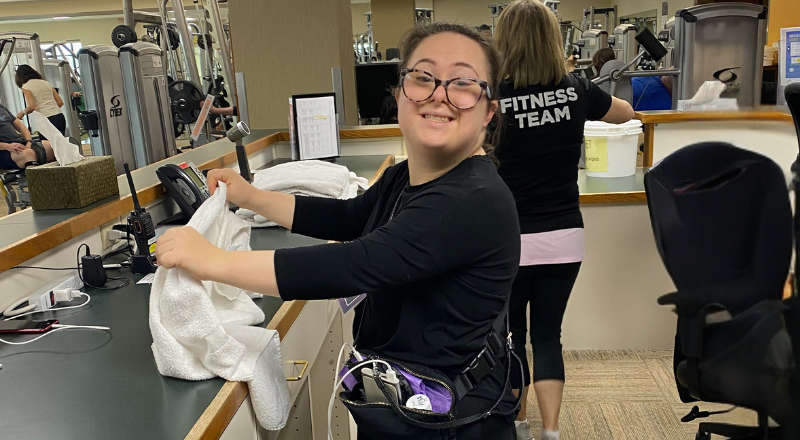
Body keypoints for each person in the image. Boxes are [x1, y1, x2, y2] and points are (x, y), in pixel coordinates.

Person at [156, 22, 522, 439]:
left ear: (488, 110)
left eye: (463, 83)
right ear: (400, 93)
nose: (439, 93)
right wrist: (252, 196)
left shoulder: (471, 198)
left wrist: (212, 261)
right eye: (423, 77)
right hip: (409, 405)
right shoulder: (405, 177)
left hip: (451, 422)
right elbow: (347, 218)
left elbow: (353, 265)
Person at [492, 2, 634, 440]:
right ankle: (550, 432)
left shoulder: (493, 97)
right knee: (548, 335)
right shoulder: (578, 90)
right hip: (565, 236)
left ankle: (517, 423)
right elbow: (626, 113)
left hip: (509, 240)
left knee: (513, 334)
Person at [14, 64, 65, 139]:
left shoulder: (26, 86)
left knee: (47, 146)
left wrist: (21, 113)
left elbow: (31, 106)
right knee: (61, 144)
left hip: (45, 119)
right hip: (59, 117)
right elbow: (60, 102)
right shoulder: (46, 83)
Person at [0, 102, 55, 170]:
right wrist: (7, 146)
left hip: (19, 143)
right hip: (4, 150)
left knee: (54, 146)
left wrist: (29, 141)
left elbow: (20, 126)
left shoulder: (1, 107)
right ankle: (34, 179)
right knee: (29, 154)